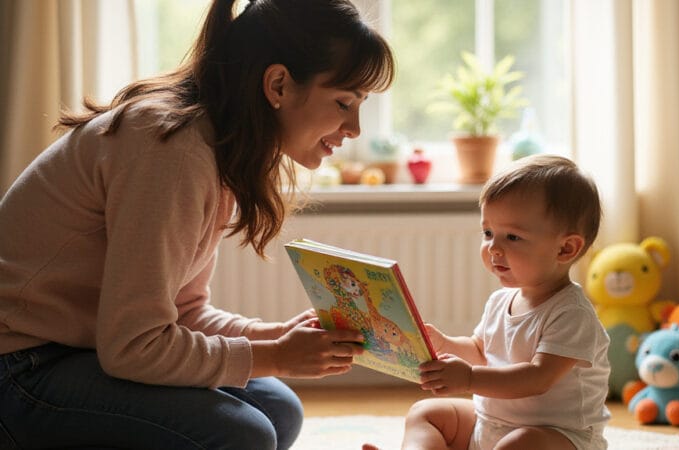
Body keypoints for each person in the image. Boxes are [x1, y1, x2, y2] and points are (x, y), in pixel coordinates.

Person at [0, 0, 394, 449]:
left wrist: (278, 339)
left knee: (278, 409)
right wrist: (278, 356)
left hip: (80, 352)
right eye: (344, 102)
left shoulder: (215, 146)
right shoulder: (172, 151)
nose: (356, 128)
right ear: (278, 84)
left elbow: (183, 313)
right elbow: (134, 347)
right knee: (243, 434)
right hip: (20, 364)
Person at [387, 155, 610, 450]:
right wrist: (444, 344)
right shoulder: (500, 301)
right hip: (490, 425)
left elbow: (537, 378)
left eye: (513, 237)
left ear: (566, 248)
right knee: (426, 413)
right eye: (488, 233)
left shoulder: (572, 314)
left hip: (557, 437)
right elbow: (481, 351)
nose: (493, 247)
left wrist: (468, 379)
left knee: (522, 442)